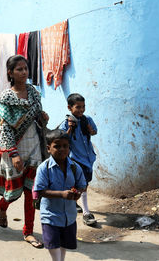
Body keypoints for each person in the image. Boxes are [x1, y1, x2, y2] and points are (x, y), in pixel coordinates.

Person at [0, 54, 49, 248]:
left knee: (31, 192)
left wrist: (43, 117)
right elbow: (6, 129)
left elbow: (37, 118)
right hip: (15, 149)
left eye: (25, 68)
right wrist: (14, 154)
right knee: (12, 193)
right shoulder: (7, 98)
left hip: (34, 146)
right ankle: (1, 208)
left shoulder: (34, 92)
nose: (23, 72)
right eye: (19, 69)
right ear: (10, 72)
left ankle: (28, 232)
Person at [34, 129, 87, 261]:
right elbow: (40, 190)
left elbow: (82, 185)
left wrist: (77, 193)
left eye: (65, 146)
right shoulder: (44, 168)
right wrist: (61, 194)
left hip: (69, 216)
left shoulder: (75, 167)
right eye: (57, 146)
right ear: (48, 148)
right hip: (50, 216)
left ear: (69, 147)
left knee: (64, 243)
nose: (62, 149)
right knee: (53, 244)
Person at [60, 93, 98, 226]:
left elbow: (94, 132)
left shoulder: (87, 119)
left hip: (88, 158)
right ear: (69, 108)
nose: (81, 110)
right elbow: (63, 139)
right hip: (75, 159)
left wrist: (90, 129)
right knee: (83, 185)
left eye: (83, 107)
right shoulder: (66, 123)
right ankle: (87, 213)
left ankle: (75, 202)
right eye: (78, 107)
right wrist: (71, 127)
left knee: (82, 183)